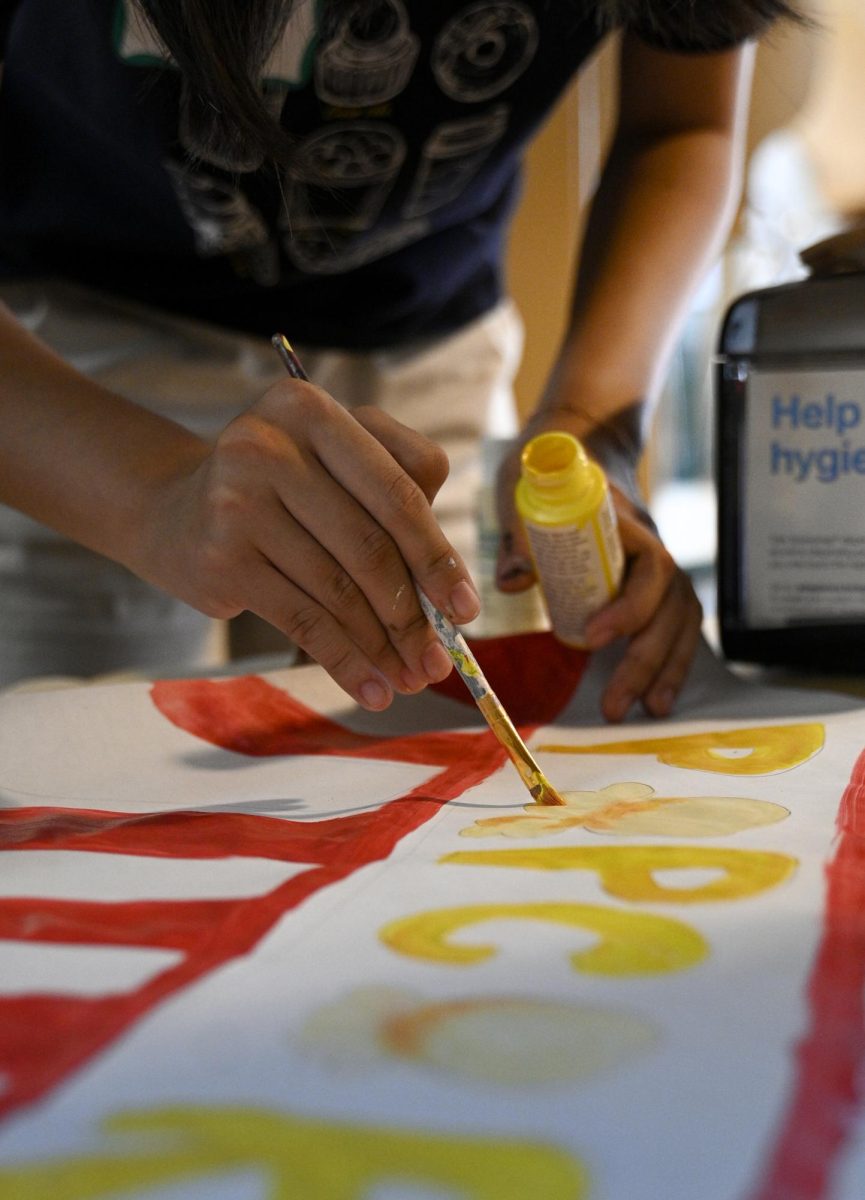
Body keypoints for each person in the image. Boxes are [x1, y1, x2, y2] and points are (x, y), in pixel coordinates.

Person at [0, 0, 801, 717]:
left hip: (423, 341)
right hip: (64, 368)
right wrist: (153, 499)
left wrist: (589, 431)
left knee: (419, 735)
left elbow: (680, 125)